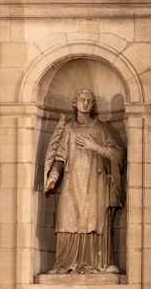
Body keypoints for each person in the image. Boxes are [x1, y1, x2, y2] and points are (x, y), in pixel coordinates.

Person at [44, 87, 124, 274]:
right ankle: (65, 263)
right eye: (82, 99)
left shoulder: (101, 129)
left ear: (93, 105)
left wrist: (95, 147)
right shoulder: (69, 129)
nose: (86, 102)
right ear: (76, 103)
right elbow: (60, 157)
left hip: (96, 184)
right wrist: (53, 176)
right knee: (68, 220)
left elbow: (118, 155)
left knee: (95, 222)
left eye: (89, 100)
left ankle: (99, 262)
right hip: (72, 183)